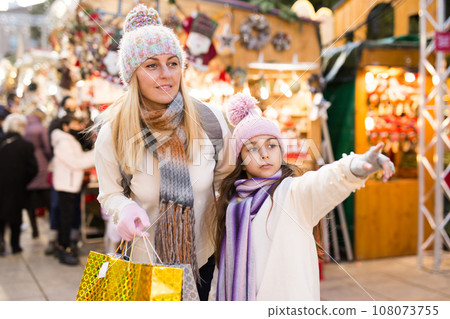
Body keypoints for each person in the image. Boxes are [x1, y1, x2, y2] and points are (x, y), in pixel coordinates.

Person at [93, 4, 233, 300]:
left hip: (201, 257)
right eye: (152, 65)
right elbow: (109, 193)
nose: (165, 75)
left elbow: (228, 180)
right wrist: (124, 208)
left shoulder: (209, 120)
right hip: (146, 262)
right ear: (133, 74)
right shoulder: (114, 132)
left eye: (172, 63)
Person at [213, 93, 395, 301]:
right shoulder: (232, 205)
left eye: (271, 145)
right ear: (240, 159)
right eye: (252, 148)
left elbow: (323, 181)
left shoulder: (293, 193)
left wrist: (356, 167)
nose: (264, 154)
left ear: (281, 150)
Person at [51, 115, 95, 265]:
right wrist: (97, 154)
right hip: (66, 185)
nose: (77, 127)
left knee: (67, 217)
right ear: (65, 126)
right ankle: (64, 248)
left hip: (69, 184)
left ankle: (64, 246)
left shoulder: (67, 140)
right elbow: (76, 162)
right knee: (65, 218)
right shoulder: (63, 142)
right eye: (74, 124)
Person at [0, 114, 38, 255]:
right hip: (17, 186)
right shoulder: (26, 146)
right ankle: (15, 245)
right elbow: (33, 169)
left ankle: (1, 242)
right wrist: (23, 180)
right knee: (15, 215)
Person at [24, 108, 52, 238]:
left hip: (27, 162)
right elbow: (47, 147)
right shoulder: (40, 128)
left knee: (30, 202)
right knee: (47, 199)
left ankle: (34, 229)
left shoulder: (24, 125)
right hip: (40, 162)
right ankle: (52, 228)